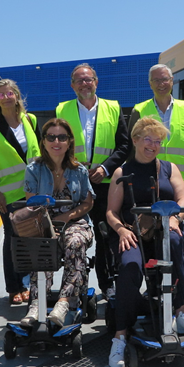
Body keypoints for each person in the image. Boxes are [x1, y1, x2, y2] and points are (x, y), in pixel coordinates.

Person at [105, 117, 184, 367]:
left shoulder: (169, 169)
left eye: (157, 141)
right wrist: (121, 231)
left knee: (173, 242)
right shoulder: (121, 172)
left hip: (163, 231)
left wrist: (176, 218)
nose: (152, 145)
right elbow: (110, 212)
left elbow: (183, 200)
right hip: (133, 233)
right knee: (129, 267)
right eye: (147, 139)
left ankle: (181, 310)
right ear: (136, 140)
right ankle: (120, 336)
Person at [55, 63, 131, 298]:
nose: (85, 84)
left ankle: (107, 285)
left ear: (96, 82)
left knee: (106, 235)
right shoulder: (62, 110)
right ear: (72, 85)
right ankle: (73, 289)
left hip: (106, 184)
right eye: (79, 80)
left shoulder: (113, 108)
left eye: (89, 79)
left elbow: (125, 145)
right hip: (74, 184)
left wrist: (105, 168)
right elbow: (56, 146)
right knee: (73, 237)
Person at [20, 118, 95, 327]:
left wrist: (67, 217)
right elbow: (31, 203)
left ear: (69, 141)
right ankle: (37, 302)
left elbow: (88, 203)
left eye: (62, 137)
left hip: (75, 222)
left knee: (75, 242)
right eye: (51, 137)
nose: (56, 141)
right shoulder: (34, 169)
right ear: (43, 141)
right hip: (43, 222)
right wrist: (50, 222)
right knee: (42, 245)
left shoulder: (79, 170)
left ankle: (64, 302)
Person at [0, 79, 40, 305]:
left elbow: (40, 153)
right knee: (13, 237)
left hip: (34, 191)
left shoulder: (30, 120)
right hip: (8, 193)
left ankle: (32, 284)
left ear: (17, 96)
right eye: (1, 94)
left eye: (10, 93)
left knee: (34, 236)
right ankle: (14, 286)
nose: (6, 97)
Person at [127, 63, 184, 198]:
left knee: (178, 218)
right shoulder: (139, 110)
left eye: (164, 79)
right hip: (147, 180)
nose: (161, 84)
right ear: (150, 84)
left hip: (181, 181)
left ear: (172, 81)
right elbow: (131, 150)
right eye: (156, 80)